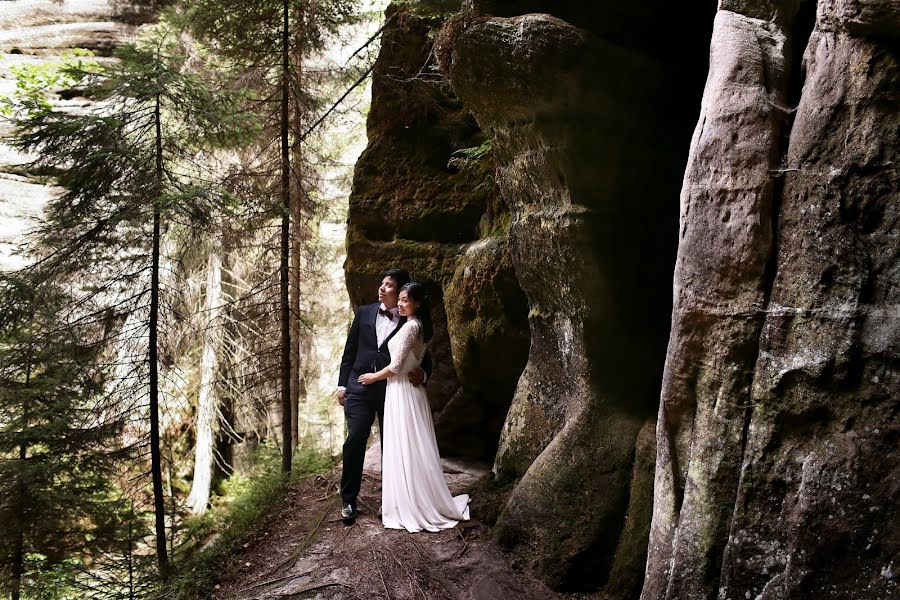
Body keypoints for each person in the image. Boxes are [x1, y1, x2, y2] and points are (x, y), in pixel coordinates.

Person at [357, 282, 470, 532]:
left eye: (405, 300)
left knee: (408, 445)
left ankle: (414, 504)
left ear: (417, 303)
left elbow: (397, 366)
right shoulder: (411, 325)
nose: (400, 303)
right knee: (405, 446)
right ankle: (406, 499)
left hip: (404, 390)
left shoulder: (412, 327)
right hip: (400, 391)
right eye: (400, 299)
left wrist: (372, 377)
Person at [337, 268, 430, 521]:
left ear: (400, 291)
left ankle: (391, 502)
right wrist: (342, 385)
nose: (381, 288)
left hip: (391, 390)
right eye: (382, 283)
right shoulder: (364, 312)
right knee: (355, 438)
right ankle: (348, 500)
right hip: (359, 385)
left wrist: (423, 375)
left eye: (388, 285)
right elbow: (350, 350)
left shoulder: (408, 319)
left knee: (393, 444)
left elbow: (423, 355)